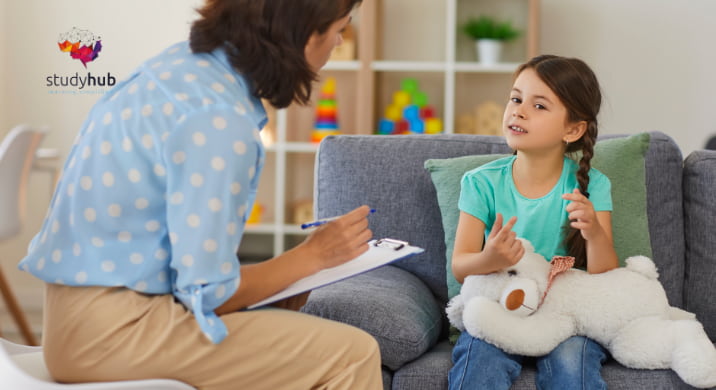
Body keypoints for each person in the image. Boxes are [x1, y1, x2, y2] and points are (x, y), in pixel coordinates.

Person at [18, 1, 383, 389]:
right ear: (307, 34)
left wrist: (286, 280)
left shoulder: (180, 71)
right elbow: (211, 293)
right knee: (351, 354)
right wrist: (315, 255)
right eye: (340, 28)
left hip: (81, 322)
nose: (341, 40)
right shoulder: (217, 119)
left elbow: (187, 275)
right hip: (114, 333)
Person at [448, 55, 619, 390]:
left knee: (574, 364)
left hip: (566, 316)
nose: (519, 110)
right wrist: (490, 260)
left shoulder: (593, 186)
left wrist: (594, 234)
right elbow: (460, 266)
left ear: (573, 129)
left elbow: (605, 277)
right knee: (478, 361)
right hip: (499, 309)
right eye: (515, 98)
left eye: (539, 106)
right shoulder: (480, 183)